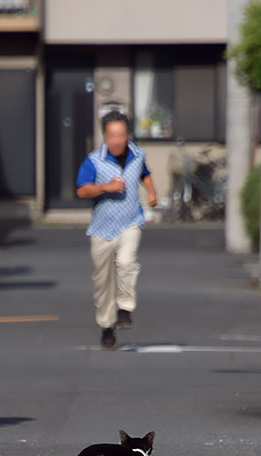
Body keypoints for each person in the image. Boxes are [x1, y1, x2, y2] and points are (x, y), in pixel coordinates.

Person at [76, 111, 157, 350]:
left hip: (130, 221)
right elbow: (81, 190)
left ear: (127, 135)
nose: (117, 140)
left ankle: (125, 308)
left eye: (121, 135)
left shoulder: (137, 154)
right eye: (112, 135)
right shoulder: (94, 161)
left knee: (126, 262)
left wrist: (151, 192)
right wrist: (106, 187)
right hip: (102, 229)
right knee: (103, 282)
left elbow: (144, 173)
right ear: (105, 136)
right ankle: (107, 327)